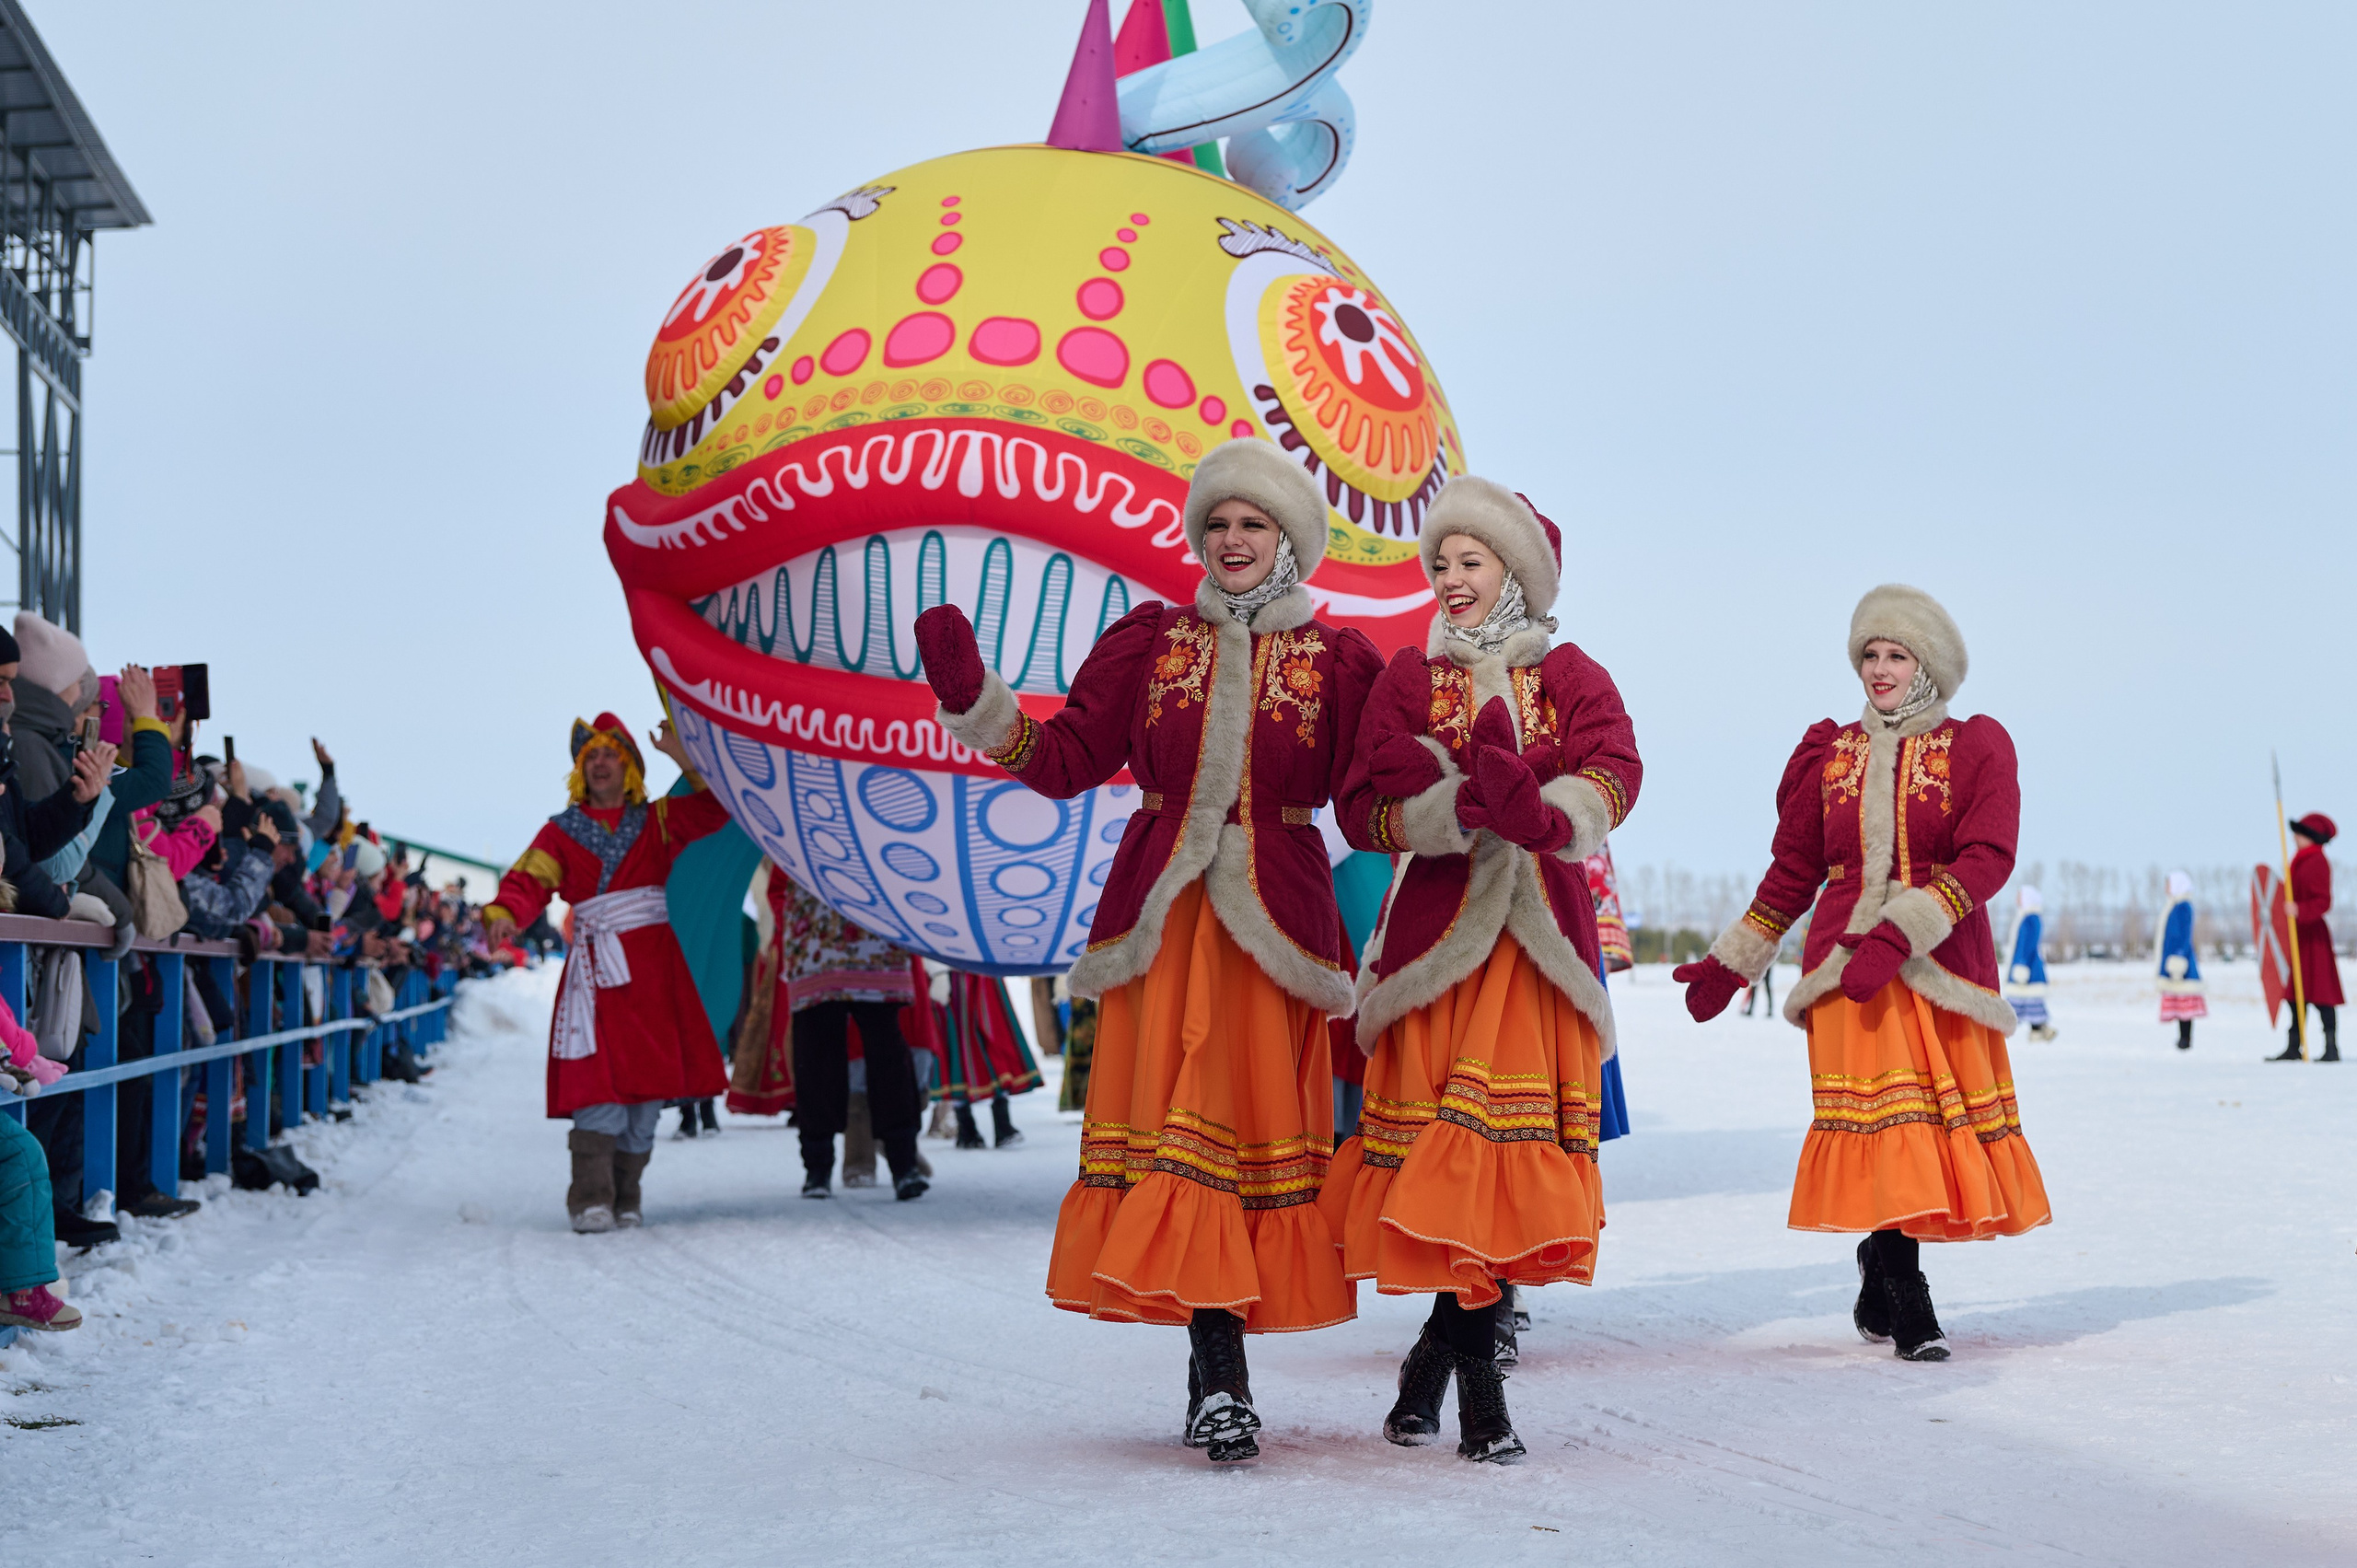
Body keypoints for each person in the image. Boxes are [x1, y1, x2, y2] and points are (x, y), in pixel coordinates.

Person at [917, 439, 1381, 1463]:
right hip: (1161, 925)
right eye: (1217, 523)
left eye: (1252, 524)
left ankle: (1213, 1368)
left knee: (1235, 1142)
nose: (1231, 540)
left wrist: (1469, 802)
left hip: (1279, 930)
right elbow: (1066, 760)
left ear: (1288, 540)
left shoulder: (1341, 661)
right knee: (1183, 1135)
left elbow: (1374, 797)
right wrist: (977, 702)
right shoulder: (1150, 639)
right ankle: (1220, 1377)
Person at [1328, 479, 1640, 1463]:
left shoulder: (1573, 672)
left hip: (1538, 946)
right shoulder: (1409, 676)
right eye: (1443, 561)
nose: (1452, 578)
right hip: (1436, 946)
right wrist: (1450, 809)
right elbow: (1359, 806)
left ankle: (1446, 1370)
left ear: (1519, 571)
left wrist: (1544, 813)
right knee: (1445, 1162)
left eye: (1472, 560)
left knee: (1492, 1164)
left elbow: (1615, 772)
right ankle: (1474, 1386)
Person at [1674, 585, 2051, 1362]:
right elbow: (1794, 872)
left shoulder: (1974, 744)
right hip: (1845, 974)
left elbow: (1988, 857)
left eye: (1896, 655)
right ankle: (1910, 1299)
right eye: (1868, 655)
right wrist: (1733, 961)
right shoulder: (1829, 753)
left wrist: (1902, 930)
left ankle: (1882, 1265)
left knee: (1925, 1134)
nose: (1878, 669)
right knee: (1890, 1134)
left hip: (1937, 965)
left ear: (1929, 664)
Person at [481, 714, 733, 1233]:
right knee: (597, 1082)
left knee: (646, 1092)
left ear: (630, 767)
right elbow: (528, 880)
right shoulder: (560, 832)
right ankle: (591, 1196)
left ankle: (628, 1192)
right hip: (596, 973)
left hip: (653, 974)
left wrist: (683, 757)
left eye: (609, 753)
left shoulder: (658, 820)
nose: (599, 763)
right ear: (579, 771)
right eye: (589, 756)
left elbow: (716, 809)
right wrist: (505, 913)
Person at [772, 869, 930, 1201]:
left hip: (873, 934)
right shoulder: (789, 815)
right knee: (816, 1059)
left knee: (888, 1056)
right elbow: (778, 879)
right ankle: (817, 1166)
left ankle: (904, 1164)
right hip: (814, 939)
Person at [2270, 814, 2341, 1062]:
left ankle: (2331, 1047)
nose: (2294, 838)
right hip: (2296, 935)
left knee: (2321, 993)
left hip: (2313, 937)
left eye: (2300, 834)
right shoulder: (2298, 861)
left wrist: (2300, 910)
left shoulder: (2318, 861)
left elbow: (2324, 901)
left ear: (2311, 837)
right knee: (2294, 994)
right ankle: (2294, 1045)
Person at [2156, 871, 2206, 1051]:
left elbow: (2184, 935)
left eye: (2168, 884)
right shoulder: (2173, 906)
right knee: (2178, 998)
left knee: (2185, 999)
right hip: (2171, 958)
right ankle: (2181, 1037)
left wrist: (2178, 957)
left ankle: (2186, 1038)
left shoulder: (2184, 907)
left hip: (2181, 959)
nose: (2166, 889)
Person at [2003, 886, 2055, 1041]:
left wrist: (2020, 966)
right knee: (2029, 1001)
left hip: (2026, 966)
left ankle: (2002, 1031)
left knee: (2017, 1002)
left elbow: (2026, 944)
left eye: (2020, 896)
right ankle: (2039, 1030)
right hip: (2028, 965)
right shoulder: (2029, 917)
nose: (2017, 899)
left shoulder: (2029, 919)